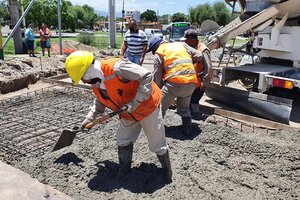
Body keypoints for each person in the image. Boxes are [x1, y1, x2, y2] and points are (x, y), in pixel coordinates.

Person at [64, 51, 172, 183]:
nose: (84, 81)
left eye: (82, 78)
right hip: (127, 113)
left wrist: (136, 101)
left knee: (156, 144)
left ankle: (167, 174)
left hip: (147, 107)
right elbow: (100, 102)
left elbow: (146, 76)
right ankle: (124, 171)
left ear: (88, 72)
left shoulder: (117, 68)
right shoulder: (96, 84)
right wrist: (90, 118)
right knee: (123, 140)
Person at [146, 36, 203, 136]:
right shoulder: (182, 45)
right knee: (184, 109)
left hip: (174, 84)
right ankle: (188, 130)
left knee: (159, 108)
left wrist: (156, 92)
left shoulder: (159, 52)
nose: (152, 53)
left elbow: (157, 77)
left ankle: (156, 132)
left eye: (152, 50)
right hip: (190, 83)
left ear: (156, 47)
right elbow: (199, 55)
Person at [181, 29, 212, 117]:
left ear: (192, 39)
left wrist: (204, 82)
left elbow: (208, 67)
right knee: (189, 100)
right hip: (191, 81)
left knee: (194, 100)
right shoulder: (191, 48)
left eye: (186, 40)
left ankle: (195, 116)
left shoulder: (203, 50)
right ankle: (191, 116)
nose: (185, 42)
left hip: (199, 82)